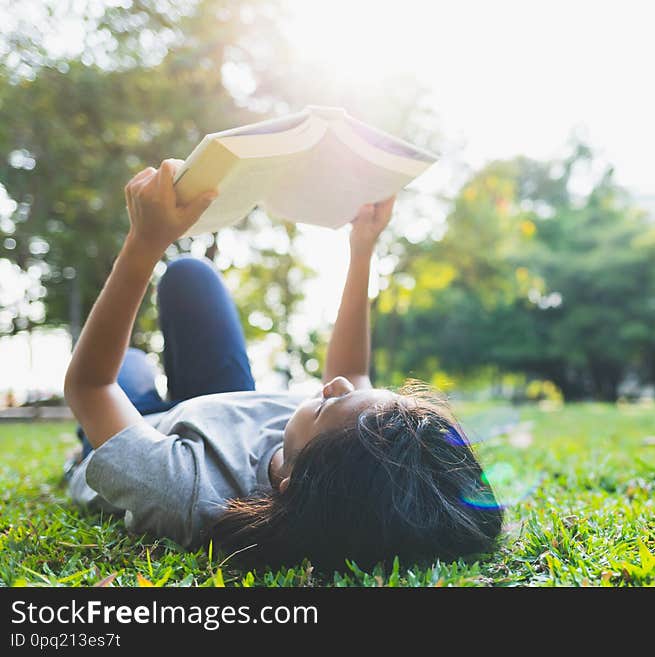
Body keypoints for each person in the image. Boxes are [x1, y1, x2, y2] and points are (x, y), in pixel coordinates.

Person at [64, 159, 503, 573]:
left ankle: (95, 434)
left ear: (292, 483)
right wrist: (363, 244)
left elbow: (92, 387)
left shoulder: (187, 491)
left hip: (140, 430)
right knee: (189, 276)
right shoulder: (330, 442)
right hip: (215, 409)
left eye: (327, 407)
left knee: (130, 369)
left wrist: (144, 243)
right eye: (355, 392)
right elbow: (352, 372)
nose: (335, 384)